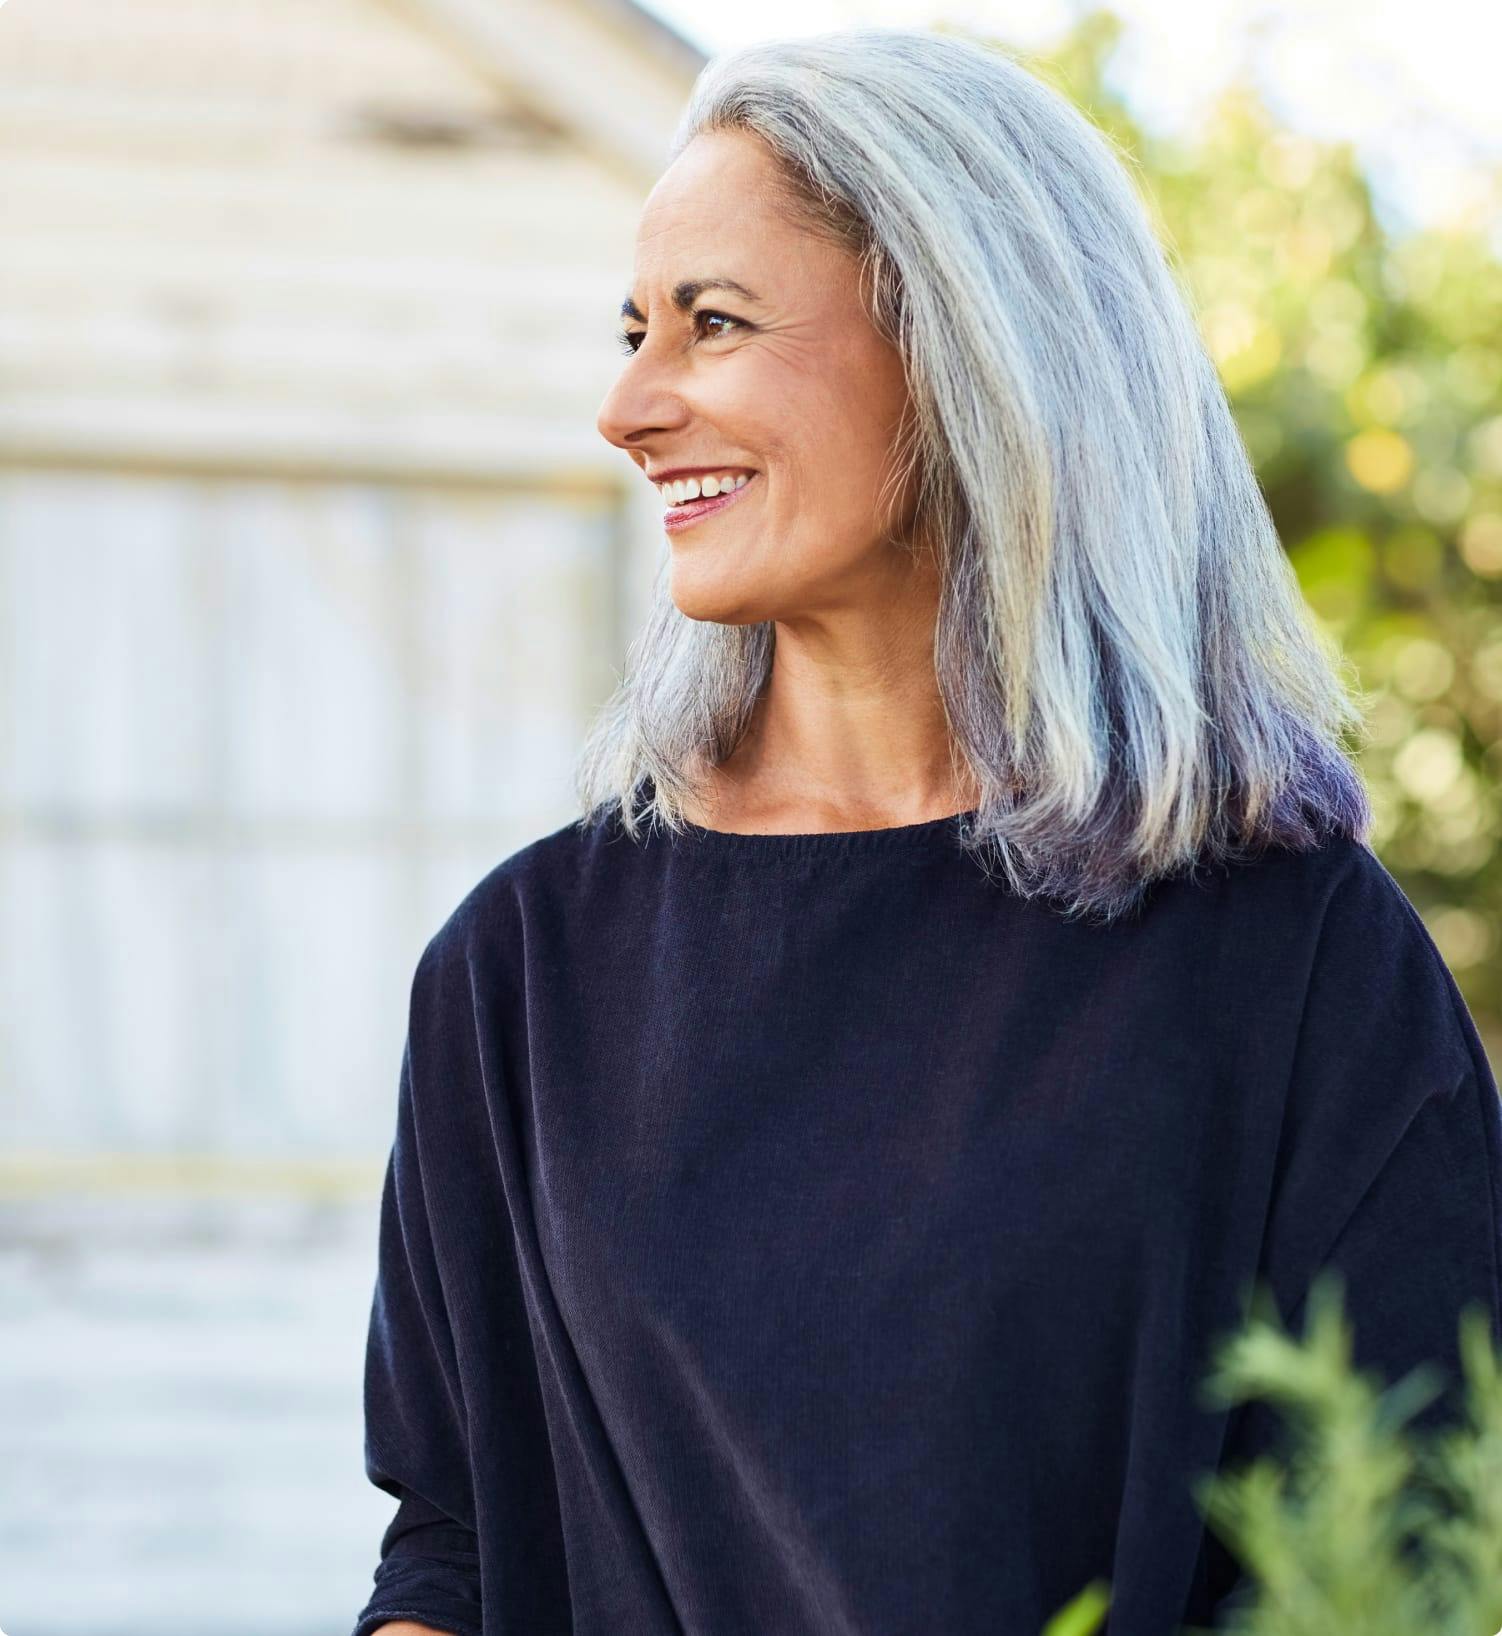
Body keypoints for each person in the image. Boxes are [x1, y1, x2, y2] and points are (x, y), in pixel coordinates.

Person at [349, 26, 1502, 1636]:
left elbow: (1410, 1554)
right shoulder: (522, 970)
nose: (627, 405)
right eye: (631, 330)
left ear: (964, 345)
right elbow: (454, 1536)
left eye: (713, 325)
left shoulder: (1293, 958)